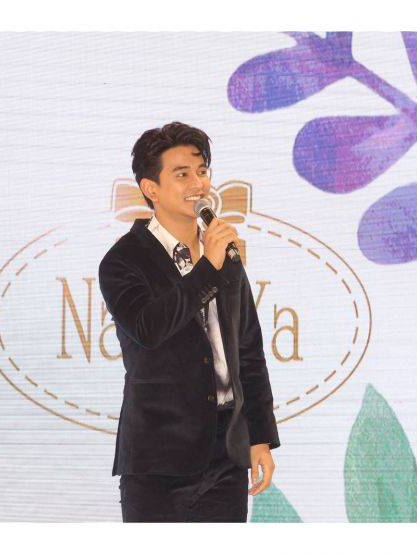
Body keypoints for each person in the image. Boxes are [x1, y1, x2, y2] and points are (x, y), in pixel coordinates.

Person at [98, 121, 280, 522]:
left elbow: (248, 348)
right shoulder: (123, 261)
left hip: (227, 453)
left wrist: (259, 436)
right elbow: (149, 329)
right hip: (158, 457)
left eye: (202, 171)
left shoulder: (224, 252)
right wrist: (207, 268)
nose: (198, 184)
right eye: (182, 174)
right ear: (151, 188)